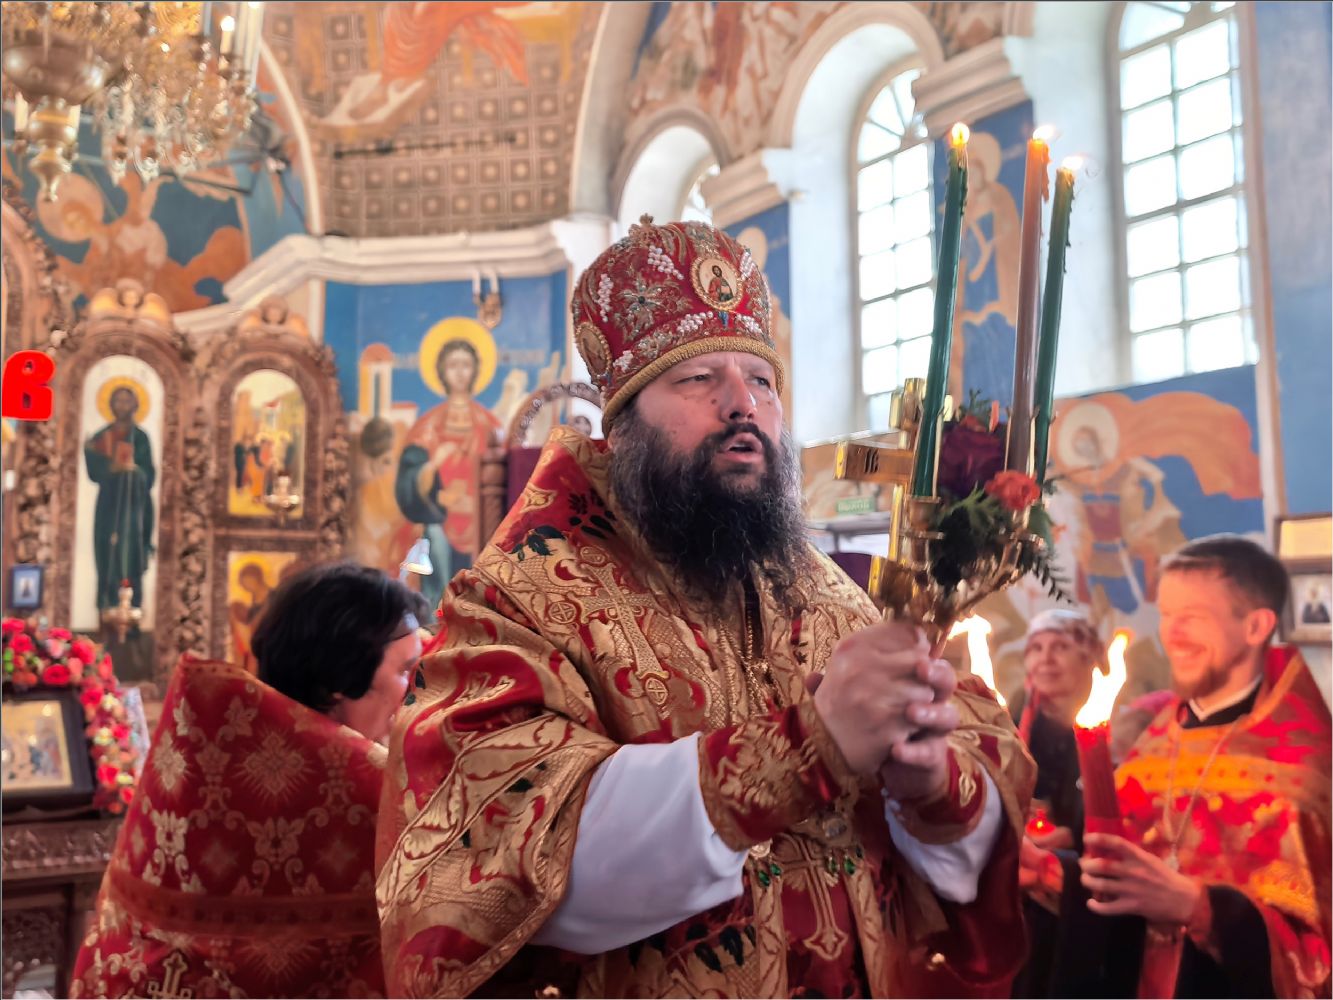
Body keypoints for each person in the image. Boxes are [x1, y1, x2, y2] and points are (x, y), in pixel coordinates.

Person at [377, 218, 1036, 997]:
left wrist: (930, 787)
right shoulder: (519, 601)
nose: (741, 405)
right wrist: (807, 747)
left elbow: (968, 812)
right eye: (696, 379)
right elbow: (501, 856)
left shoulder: (832, 596)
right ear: (623, 425)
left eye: (761, 379)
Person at [71, 563, 426, 998]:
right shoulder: (364, 793)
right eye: (406, 670)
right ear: (342, 677)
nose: (417, 689)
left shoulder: (211, 757)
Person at [1019, 535, 1331, 997]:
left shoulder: (1306, 771)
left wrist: (1202, 909)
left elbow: (1315, 954)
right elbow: (1118, 894)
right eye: (1167, 615)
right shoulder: (1154, 748)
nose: (1171, 634)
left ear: (1256, 626)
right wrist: (1052, 874)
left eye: (1193, 617)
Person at [395, 337, 503, 608]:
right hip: (439, 524)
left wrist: (473, 501)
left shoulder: (488, 423)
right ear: (442, 371)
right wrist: (433, 467)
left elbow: (503, 471)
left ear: (475, 370)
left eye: (466, 364)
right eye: (453, 365)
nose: (459, 372)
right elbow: (408, 479)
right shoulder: (428, 426)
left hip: (482, 522)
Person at [1011, 609, 1103, 852]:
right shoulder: (1011, 724)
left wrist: (1075, 836)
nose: (1046, 659)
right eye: (1036, 648)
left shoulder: (1115, 731)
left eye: (1061, 647)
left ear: (1087, 657)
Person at [84, 385, 155, 616]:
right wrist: (107, 465)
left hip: (135, 505)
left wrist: (133, 469)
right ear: (111, 405)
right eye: (118, 400)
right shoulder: (102, 436)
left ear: (135, 405)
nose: (122, 405)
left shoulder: (140, 437)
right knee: (106, 549)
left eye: (127, 401)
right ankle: (106, 606)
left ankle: (133, 607)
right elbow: (94, 473)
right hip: (109, 503)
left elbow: (149, 475)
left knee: (132, 551)